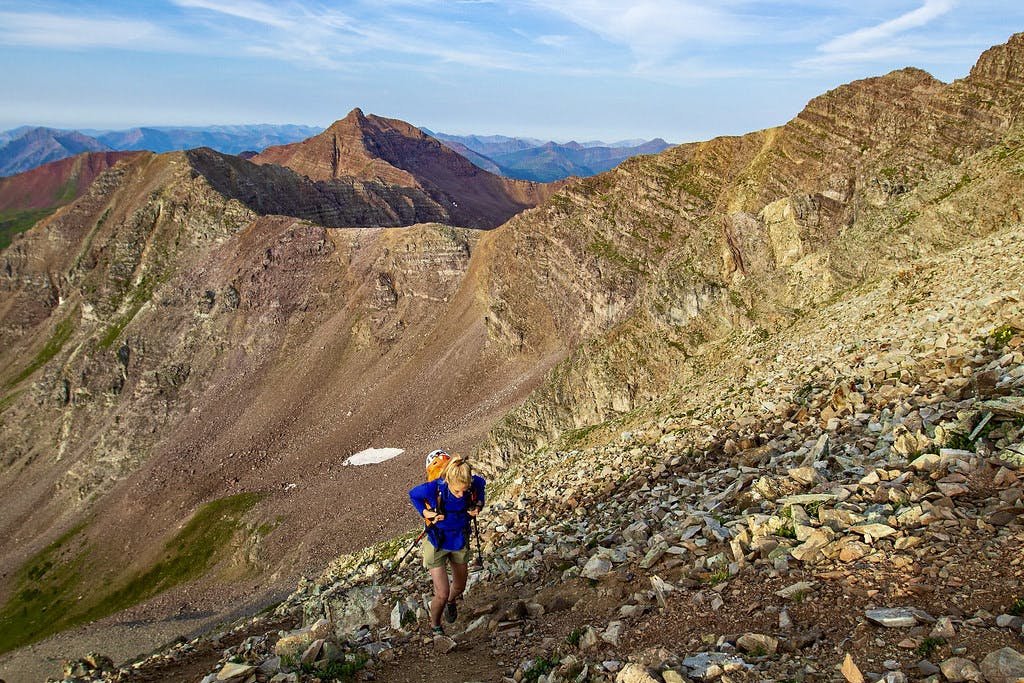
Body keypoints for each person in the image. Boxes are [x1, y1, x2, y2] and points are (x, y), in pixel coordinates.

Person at [408, 455, 485, 636]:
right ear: (448, 480)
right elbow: (413, 495)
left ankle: (451, 601)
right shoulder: (434, 488)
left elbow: (481, 486)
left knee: (459, 587)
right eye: (458, 491)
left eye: (465, 491)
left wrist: (479, 505)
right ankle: (435, 625)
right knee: (441, 593)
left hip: (459, 539)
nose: (462, 494)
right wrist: (427, 513)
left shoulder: (473, 484)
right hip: (437, 541)